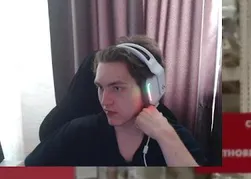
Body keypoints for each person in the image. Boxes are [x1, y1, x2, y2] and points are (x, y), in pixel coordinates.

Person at [24, 37, 202, 167]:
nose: (104, 101)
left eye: (117, 88)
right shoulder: (78, 132)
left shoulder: (174, 138)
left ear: (151, 89)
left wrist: (165, 136)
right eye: (100, 87)